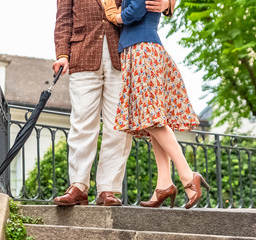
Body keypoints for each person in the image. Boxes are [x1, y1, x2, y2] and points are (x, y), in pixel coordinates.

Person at [52, 0, 171, 206]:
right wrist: (62, 55)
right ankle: (78, 186)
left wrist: (169, 3)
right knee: (81, 124)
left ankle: (108, 189)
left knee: (118, 127)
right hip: (83, 54)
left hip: (122, 54)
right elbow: (63, 19)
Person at [101, 0, 210, 208]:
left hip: (142, 49)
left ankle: (188, 175)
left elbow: (135, 11)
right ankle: (164, 184)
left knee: (151, 119)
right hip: (141, 47)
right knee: (152, 121)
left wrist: (114, 16)